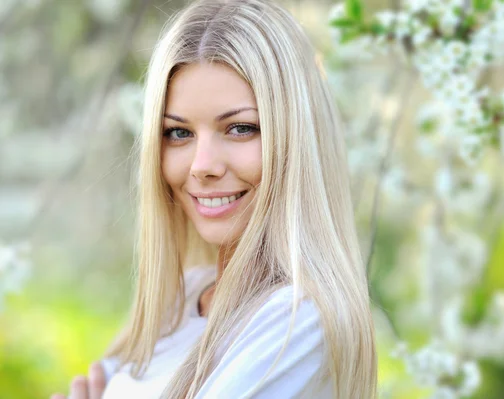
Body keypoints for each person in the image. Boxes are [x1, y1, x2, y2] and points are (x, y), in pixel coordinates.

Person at [50, 0, 377, 397]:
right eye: (179, 133)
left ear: (297, 140)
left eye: (240, 128)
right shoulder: (186, 297)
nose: (201, 166)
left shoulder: (296, 319)